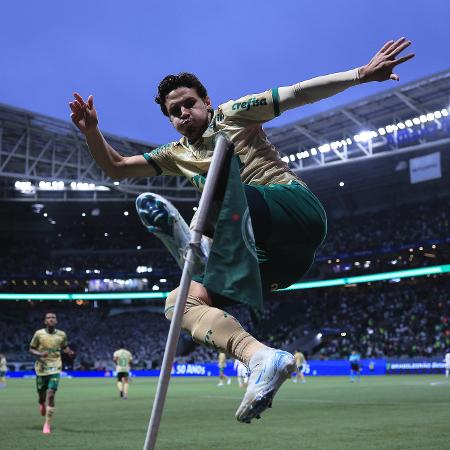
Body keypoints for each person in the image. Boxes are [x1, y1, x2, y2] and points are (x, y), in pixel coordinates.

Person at [70, 38, 413, 423]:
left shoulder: (233, 114)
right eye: (174, 111)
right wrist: (91, 132)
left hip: (291, 210)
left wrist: (360, 75)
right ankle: (261, 358)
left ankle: (196, 245)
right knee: (180, 302)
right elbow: (116, 167)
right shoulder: (174, 153)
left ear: (206, 102)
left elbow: (299, 93)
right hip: (278, 261)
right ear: (169, 120)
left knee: (216, 180)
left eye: (189, 103)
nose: (183, 112)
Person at [29, 312, 75, 434]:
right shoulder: (39, 334)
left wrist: (69, 352)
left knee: (51, 393)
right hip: (41, 368)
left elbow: (65, 347)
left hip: (55, 366)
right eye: (48, 318)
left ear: (56, 321)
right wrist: (40, 354)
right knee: (41, 395)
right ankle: (41, 404)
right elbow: (31, 349)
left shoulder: (62, 334)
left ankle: (47, 424)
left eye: (53, 317)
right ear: (45, 321)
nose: (51, 319)